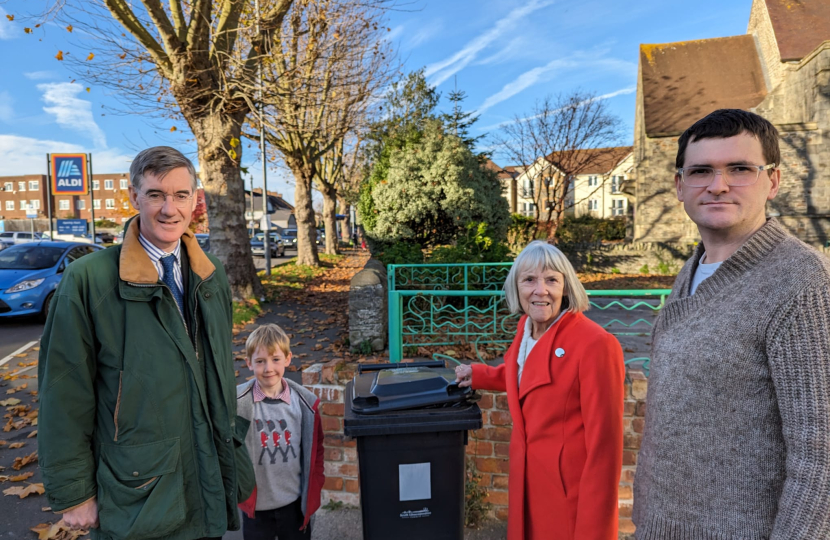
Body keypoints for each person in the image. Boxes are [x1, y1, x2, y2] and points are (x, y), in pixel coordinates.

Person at [38, 147, 255, 539]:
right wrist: (73, 492)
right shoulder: (88, 281)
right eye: (156, 195)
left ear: (195, 200)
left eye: (181, 195)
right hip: (137, 496)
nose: (169, 209)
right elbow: (63, 391)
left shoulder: (212, 274)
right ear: (134, 197)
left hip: (208, 478)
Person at [632, 109, 830, 539]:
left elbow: (821, 455)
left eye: (740, 169)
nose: (718, 185)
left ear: (772, 181)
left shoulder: (802, 283)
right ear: (679, 186)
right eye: (701, 170)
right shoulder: (693, 269)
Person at [455, 241, 624, 540]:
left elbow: (605, 448)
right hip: (527, 480)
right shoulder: (526, 327)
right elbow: (527, 375)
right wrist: (479, 374)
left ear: (567, 286)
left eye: (551, 280)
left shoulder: (595, 343)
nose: (540, 290)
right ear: (516, 287)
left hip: (566, 495)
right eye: (529, 279)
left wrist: (595, 529)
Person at [236, 324, 325, 540]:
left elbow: (317, 449)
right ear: (249, 363)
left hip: (294, 507)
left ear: (288, 359)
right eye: (260, 361)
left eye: (275, 359)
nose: (268, 368)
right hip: (256, 510)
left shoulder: (305, 404)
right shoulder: (236, 403)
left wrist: (316, 484)